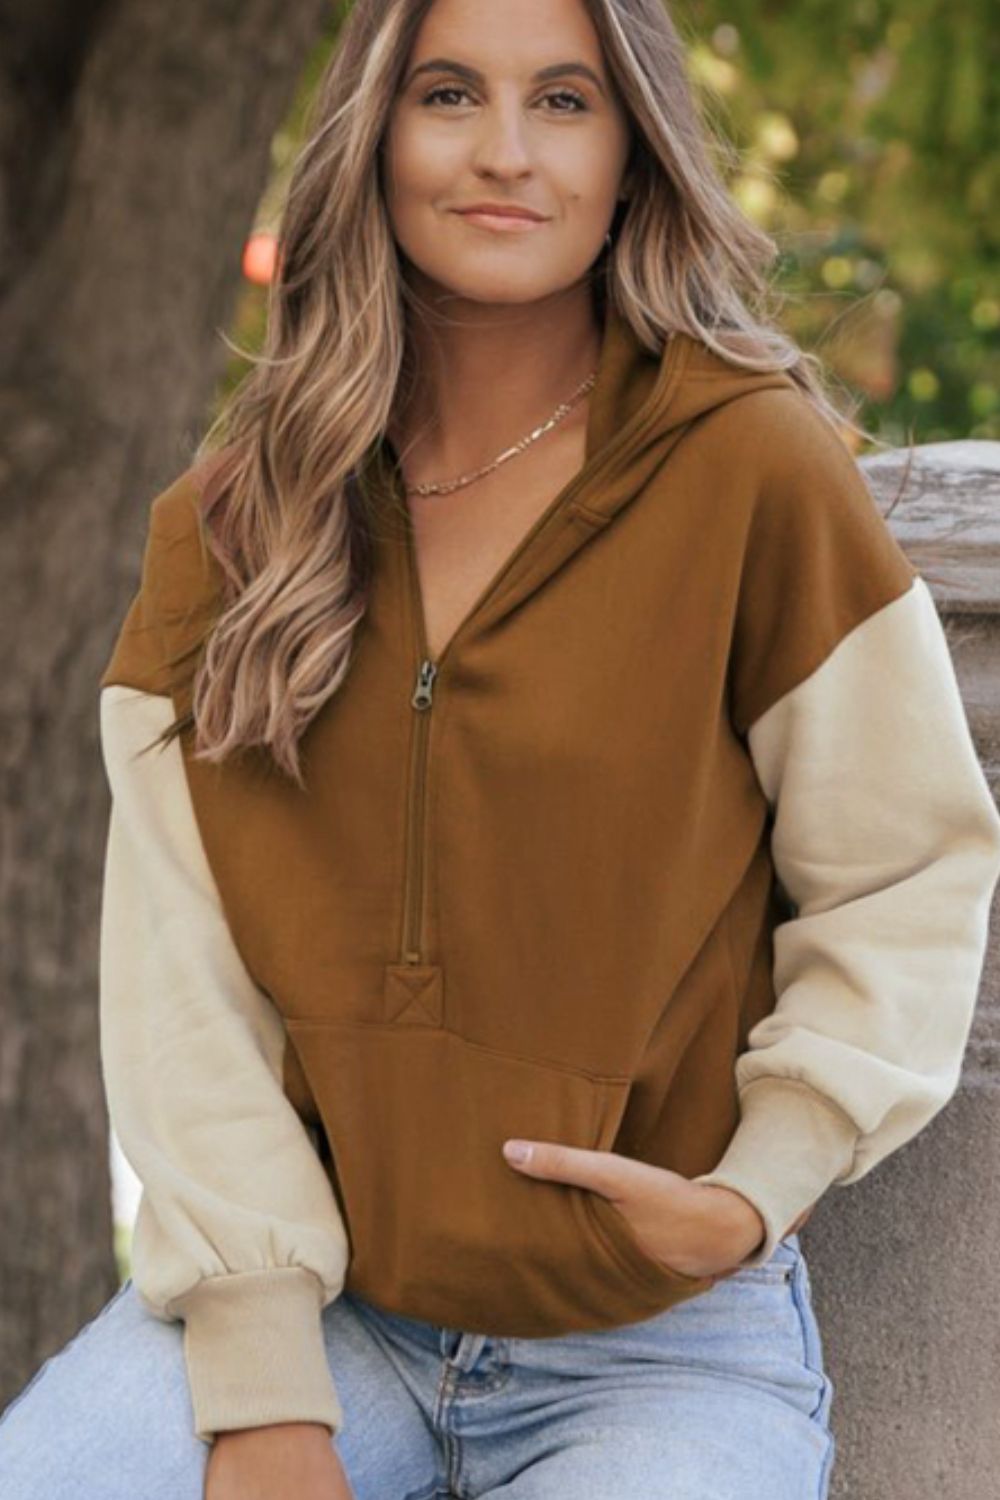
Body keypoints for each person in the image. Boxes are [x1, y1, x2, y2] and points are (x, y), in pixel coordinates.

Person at [3, 1, 999, 1497]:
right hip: (330, 1309)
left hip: (663, 1343)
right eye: (451, 94)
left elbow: (905, 864)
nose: (508, 154)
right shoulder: (234, 523)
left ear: (633, 154)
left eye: (567, 102)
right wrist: (266, 1389)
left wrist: (758, 1186)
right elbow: (181, 975)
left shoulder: (752, 471)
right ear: (375, 136)